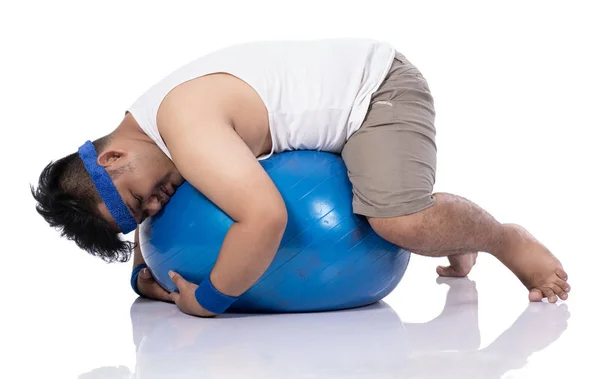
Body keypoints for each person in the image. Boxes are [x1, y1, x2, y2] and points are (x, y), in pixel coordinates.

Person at [31, 38, 569, 317]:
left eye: (136, 198)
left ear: (112, 158)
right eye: (138, 217)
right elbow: (146, 203)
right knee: (400, 211)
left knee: (399, 222)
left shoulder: (183, 125)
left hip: (376, 91)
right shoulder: (152, 140)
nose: (153, 208)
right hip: (337, 118)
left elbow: (265, 218)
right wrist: (141, 272)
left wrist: (210, 300)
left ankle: (503, 237)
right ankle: (455, 239)